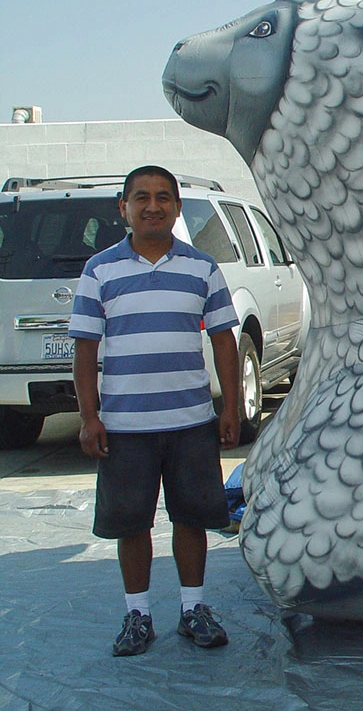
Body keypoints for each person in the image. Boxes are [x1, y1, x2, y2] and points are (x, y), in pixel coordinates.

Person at [70, 165, 241, 657]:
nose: (152, 205)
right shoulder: (99, 271)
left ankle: (193, 610)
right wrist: (89, 416)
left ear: (176, 208)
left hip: (191, 424)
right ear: (123, 207)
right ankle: (138, 615)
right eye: (141, 197)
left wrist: (228, 407)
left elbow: (224, 340)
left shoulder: (203, 268)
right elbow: (84, 349)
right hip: (125, 430)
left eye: (163, 197)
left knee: (191, 520)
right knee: (132, 524)